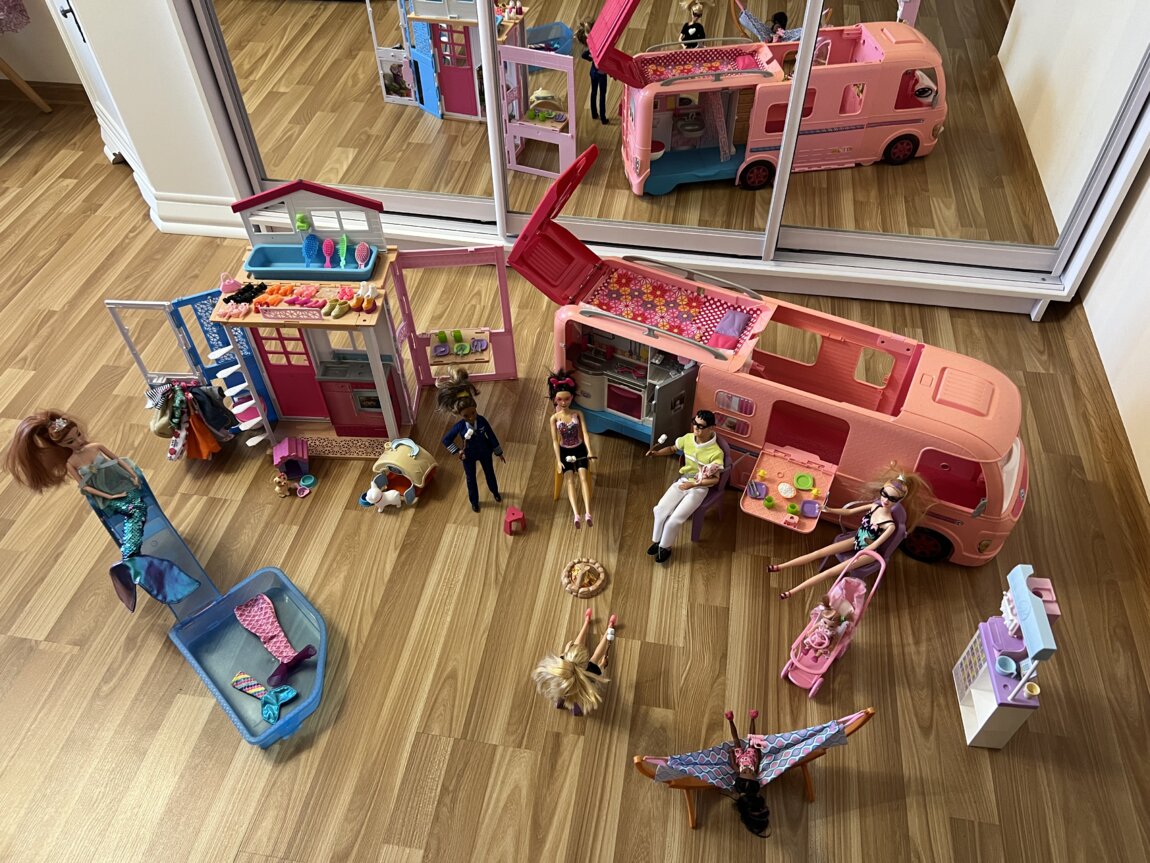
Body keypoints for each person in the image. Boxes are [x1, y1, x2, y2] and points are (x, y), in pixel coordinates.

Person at [4, 410, 199, 611]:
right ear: (61, 445)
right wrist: (109, 497)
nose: (78, 441)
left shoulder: (95, 447)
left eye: (78, 435)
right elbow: (85, 487)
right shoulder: (71, 463)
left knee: (138, 510)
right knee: (134, 511)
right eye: (70, 441)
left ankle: (129, 561)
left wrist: (133, 474)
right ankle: (131, 560)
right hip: (108, 498)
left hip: (125, 484)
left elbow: (119, 460)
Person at [772, 467, 925, 599]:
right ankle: (780, 566)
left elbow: (876, 545)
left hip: (868, 553)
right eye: (884, 494)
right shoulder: (875, 506)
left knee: (830, 572)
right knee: (818, 552)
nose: (885, 500)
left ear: (898, 501)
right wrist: (830, 510)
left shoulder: (890, 525)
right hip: (857, 539)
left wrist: (862, 552)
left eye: (892, 499)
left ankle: (792, 592)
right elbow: (850, 511)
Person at [645, 410, 725, 564]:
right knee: (660, 509)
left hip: (699, 488)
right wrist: (657, 453)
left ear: (711, 428)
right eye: (694, 423)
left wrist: (694, 484)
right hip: (682, 481)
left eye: (700, 426)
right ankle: (657, 541)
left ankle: (665, 547)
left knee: (675, 519)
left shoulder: (716, 453)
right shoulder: (688, 439)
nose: (696, 428)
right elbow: (672, 449)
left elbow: (715, 480)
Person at [437, 368, 504, 512]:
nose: (471, 417)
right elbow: (446, 440)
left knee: (490, 473)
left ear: (476, 408)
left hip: (485, 452)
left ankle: (495, 492)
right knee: (470, 479)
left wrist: (498, 452)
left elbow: (491, 435)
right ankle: (474, 501)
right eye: (466, 416)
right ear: (460, 415)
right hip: (468, 456)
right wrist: (458, 451)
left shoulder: (482, 421)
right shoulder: (460, 427)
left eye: (473, 413)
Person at [532, 608, 618, 716]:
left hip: (561, 691)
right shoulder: (590, 671)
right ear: (586, 663)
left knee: (561, 698)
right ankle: (608, 627)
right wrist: (602, 664)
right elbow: (598, 665)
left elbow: (569, 651)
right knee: (596, 656)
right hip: (577, 698)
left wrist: (566, 651)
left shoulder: (562, 665)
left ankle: (586, 622)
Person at [548, 370, 596, 529]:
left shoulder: (578, 414)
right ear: (555, 399)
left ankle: (588, 512)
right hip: (564, 451)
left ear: (572, 397)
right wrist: (558, 460)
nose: (563, 402)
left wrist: (589, 450)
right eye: (560, 399)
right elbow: (554, 441)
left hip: (579, 449)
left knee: (583, 477)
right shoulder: (554, 418)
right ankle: (576, 514)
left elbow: (585, 434)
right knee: (569, 479)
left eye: (567, 399)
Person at [725, 709, 772, 838]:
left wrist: (731, 753)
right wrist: (759, 753)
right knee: (751, 739)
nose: (748, 772)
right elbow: (758, 763)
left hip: (740, 757)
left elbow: (734, 765)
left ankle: (731, 720)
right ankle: (752, 718)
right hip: (752, 755)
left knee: (737, 741)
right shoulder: (754, 775)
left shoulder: (739, 774)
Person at [575, 21, 610, 125]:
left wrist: (591, 59)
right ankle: (602, 117)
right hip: (600, 74)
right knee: (601, 95)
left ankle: (594, 114)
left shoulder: (592, 48)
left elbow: (583, 55)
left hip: (594, 72)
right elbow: (584, 55)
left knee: (594, 92)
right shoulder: (596, 47)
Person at [766, 8, 831, 42]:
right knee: (805, 31)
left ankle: (818, 27)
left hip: (788, 36)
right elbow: (779, 33)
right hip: (786, 37)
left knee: (805, 30)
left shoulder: (777, 27)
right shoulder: (777, 27)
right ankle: (818, 27)